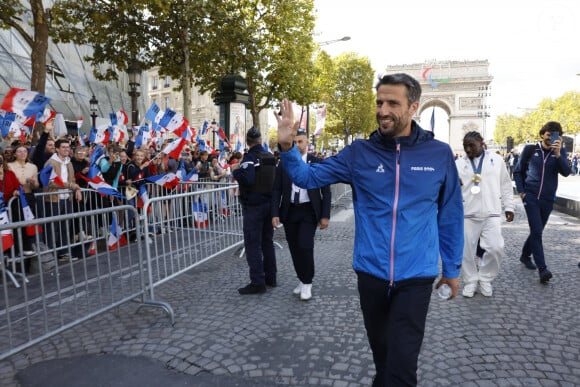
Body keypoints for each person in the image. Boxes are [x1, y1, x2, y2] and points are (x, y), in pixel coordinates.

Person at [274, 73, 464, 387]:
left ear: (413, 107)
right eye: (379, 102)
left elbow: (451, 215)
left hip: (416, 276)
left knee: (402, 368)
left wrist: (453, 268)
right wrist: (286, 145)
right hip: (371, 274)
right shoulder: (359, 153)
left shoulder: (439, 154)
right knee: (384, 357)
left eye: (392, 103)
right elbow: (307, 178)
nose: (382, 110)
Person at [271, 128, 331, 301]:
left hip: (309, 210)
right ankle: (301, 278)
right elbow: (276, 190)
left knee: (305, 245)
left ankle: (307, 282)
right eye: (294, 142)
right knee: (294, 248)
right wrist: (275, 213)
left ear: (307, 143)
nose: (297, 145)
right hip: (290, 210)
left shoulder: (317, 162)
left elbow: (326, 192)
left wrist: (325, 215)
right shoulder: (284, 163)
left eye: (300, 141)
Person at [455, 132, 514, 297]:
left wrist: (509, 207)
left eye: (471, 145)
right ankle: (470, 281)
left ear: (482, 143)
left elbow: (506, 184)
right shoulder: (458, 163)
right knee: (466, 251)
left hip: (492, 213)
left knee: (496, 247)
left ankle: (486, 278)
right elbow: (450, 189)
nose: (468, 149)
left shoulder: (497, 160)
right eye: (465, 145)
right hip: (467, 214)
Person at [513, 121, 571, 282]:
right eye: (549, 134)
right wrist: (522, 191)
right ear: (542, 134)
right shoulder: (530, 150)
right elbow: (518, 171)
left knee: (537, 231)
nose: (551, 138)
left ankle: (525, 255)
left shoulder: (560, 152)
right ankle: (543, 269)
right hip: (530, 197)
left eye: (555, 135)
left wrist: (559, 154)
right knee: (537, 231)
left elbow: (566, 172)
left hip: (547, 199)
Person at [230, 127, 277, 295]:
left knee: (252, 244)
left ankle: (258, 282)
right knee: (267, 242)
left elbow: (248, 179)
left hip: (254, 206)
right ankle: (271, 278)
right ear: (260, 139)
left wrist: (236, 171)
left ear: (248, 142)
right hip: (268, 205)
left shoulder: (250, 157)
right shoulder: (270, 157)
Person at [43, 139, 84, 261]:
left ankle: (64, 253)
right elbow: (50, 182)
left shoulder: (68, 162)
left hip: (67, 198)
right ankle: (51, 254)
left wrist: (77, 190)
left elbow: (72, 180)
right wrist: (70, 186)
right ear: (57, 149)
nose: (67, 149)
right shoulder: (50, 163)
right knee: (53, 227)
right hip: (53, 199)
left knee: (65, 226)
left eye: (68, 147)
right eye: (63, 147)